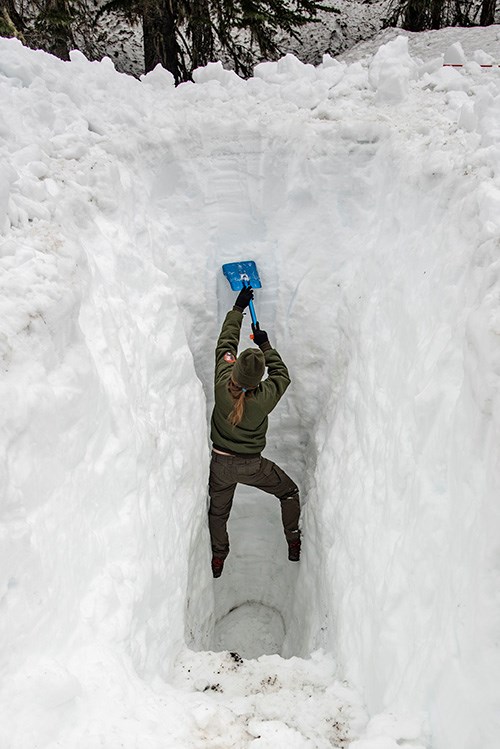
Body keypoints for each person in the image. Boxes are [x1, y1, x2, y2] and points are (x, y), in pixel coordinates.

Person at [208, 285, 301, 578]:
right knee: (289, 492)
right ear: (258, 380)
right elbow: (281, 375)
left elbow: (226, 344)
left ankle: (218, 558)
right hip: (252, 467)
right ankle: (293, 541)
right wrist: (265, 344)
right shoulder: (264, 398)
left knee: (218, 514)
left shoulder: (223, 382)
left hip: (220, 466)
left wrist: (238, 308)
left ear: (234, 371)